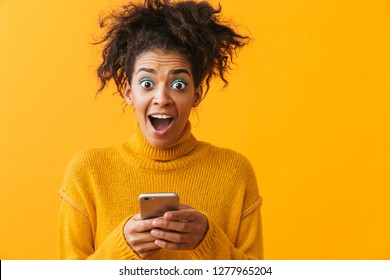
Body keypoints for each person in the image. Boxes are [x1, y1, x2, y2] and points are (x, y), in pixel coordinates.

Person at [58, 0, 263, 260]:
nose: (162, 98)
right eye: (147, 83)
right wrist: (122, 248)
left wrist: (208, 241)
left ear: (196, 95)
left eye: (178, 84)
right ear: (128, 91)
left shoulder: (235, 173)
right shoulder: (87, 172)